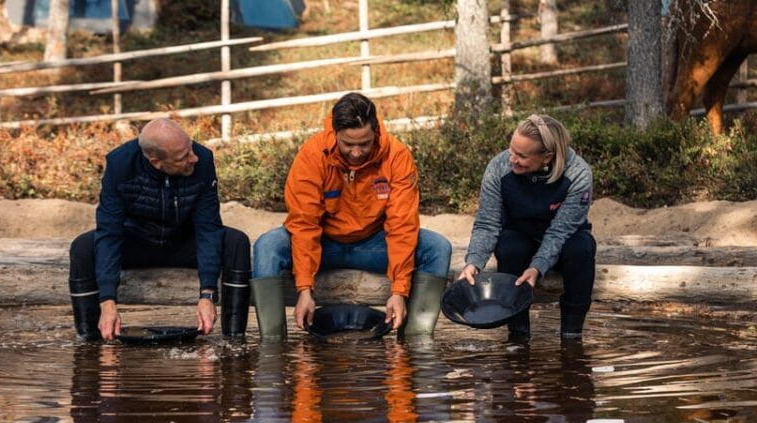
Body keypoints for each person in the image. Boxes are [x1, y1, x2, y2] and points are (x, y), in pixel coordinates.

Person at [251, 92, 452, 340]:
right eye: (348, 144)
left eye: (364, 144)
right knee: (267, 245)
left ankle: (415, 341)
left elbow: (402, 225)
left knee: (437, 247)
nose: (356, 153)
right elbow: (304, 224)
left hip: (374, 245)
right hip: (324, 245)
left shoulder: (397, 156)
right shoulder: (312, 155)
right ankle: (272, 344)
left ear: (376, 132)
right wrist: (304, 289)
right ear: (335, 133)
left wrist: (399, 291)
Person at [68, 118, 251, 341]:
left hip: (182, 242)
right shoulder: (120, 164)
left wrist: (207, 294)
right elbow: (110, 232)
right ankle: (90, 338)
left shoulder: (202, 159)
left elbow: (208, 229)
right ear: (156, 161)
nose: (193, 157)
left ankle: (234, 339)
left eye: (190, 148)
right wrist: (107, 301)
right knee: (82, 247)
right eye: (183, 157)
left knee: (236, 241)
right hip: (138, 243)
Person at [459, 114, 596, 339]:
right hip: (519, 234)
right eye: (511, 150)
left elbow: (559, 232)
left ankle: (572, 335)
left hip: (565, 240)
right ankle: (518, 336)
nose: (511, 158)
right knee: (511, 247)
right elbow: (487, 223)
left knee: (582, 249)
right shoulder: (498, 167)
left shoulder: (578, 174)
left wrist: (538, 267)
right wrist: (474, 262)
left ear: (546, 157)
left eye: (521, 155)